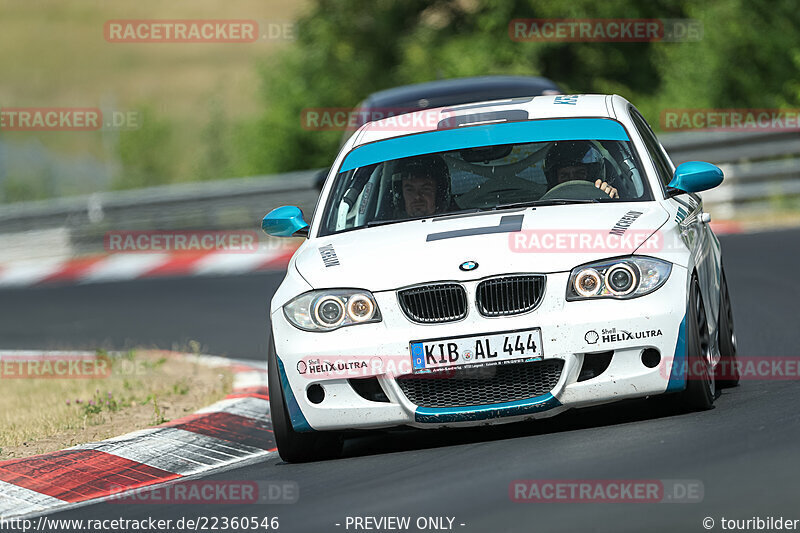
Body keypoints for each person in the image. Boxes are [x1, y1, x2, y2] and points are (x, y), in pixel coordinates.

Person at [543, 141, 618, 198]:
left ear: (591, 175)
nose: (572, 180)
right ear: (554, 179)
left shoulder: (603, 198)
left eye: (579, 173)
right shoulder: (540, 208)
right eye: (564, 175)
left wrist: (611, 199)